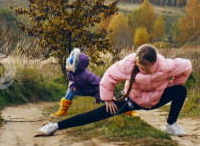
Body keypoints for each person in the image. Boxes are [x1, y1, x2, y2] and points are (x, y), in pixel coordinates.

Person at [38, 44, 190, 136]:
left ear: (155, 62)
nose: (144, 71)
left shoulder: (166, 66)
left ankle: (171, 125)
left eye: (148, 69)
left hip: (158, 99)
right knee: (97, 114)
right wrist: (108, 99)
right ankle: (55, 126)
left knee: (180, 90)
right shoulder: (128, 64)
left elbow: (187, 65)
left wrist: (175, 82)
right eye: (142, 68)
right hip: (132, 101)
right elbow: (109, 77)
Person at [51, 48, 137, 118]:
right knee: (70, 90)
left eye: (70, 64)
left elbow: (99, 85)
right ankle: (63, 110)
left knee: (109, 102)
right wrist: (73, 85)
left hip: (97, 91)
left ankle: (126, 111)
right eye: (68, 64)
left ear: (77, 65)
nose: (68, 66)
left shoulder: (87, 75)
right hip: (84, 90)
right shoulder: (70, 72)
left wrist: (98, 98)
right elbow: (71, 81)